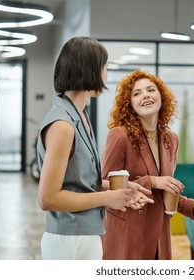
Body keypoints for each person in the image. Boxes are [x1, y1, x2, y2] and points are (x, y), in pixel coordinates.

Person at [37, 37, 153, 260]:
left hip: (86, 233)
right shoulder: (63, 125)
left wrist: (120, 188)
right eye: (105, 67)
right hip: (68, 240)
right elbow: (48, 198)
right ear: (91, 71)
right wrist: (108, 198)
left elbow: (77, 182)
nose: (107, 74)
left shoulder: (80, 115)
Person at [101, 69, 194, 260]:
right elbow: (105, 182)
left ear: (161, 96)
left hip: (159, 233)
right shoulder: (120, 135)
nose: (145, 95)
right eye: (137, 93)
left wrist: (193, 206)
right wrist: (152, 181)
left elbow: (165, 190)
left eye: (150, 90)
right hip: (127, 232)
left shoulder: (171, 139)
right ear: (129, 104)